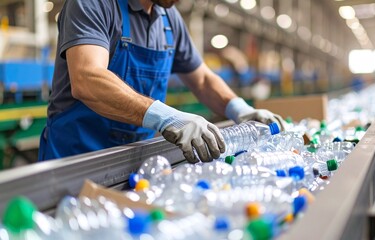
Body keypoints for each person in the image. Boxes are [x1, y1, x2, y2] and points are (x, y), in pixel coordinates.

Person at [38, 0, 284, 163]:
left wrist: (239, 109)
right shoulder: (94, 3)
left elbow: (201, 79)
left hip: (135, 165)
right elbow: (87, 78)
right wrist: (166, 117)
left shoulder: (169, 18)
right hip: (75, 162)